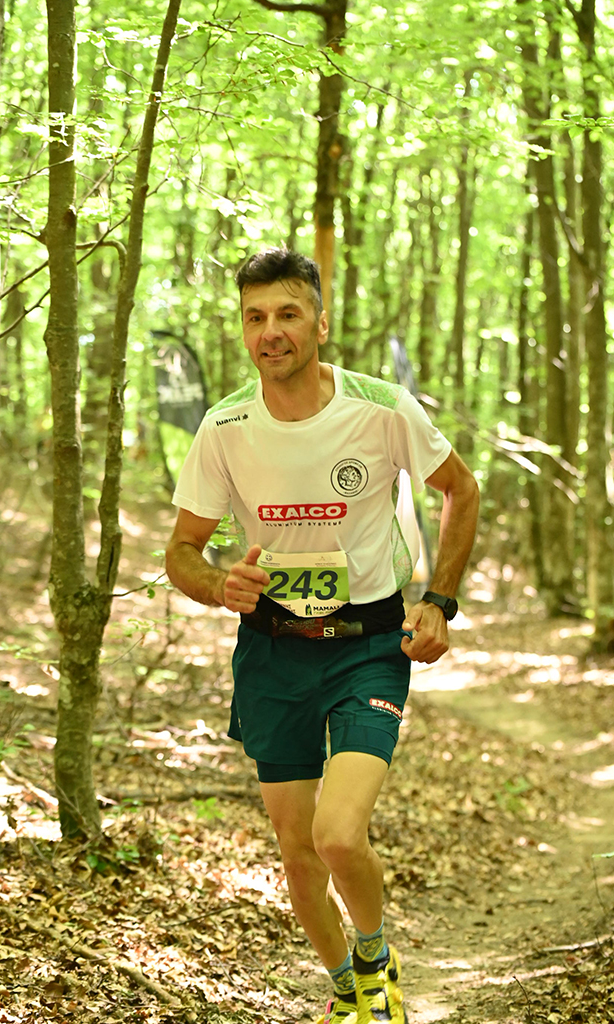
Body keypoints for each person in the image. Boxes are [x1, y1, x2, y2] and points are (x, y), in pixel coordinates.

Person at [165, 248, 479, 1024]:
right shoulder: (225, 427)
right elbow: (183, 551)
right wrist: (218, 585)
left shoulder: (381, 407)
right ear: (244, 329)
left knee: (338, 836)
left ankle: (374, 958)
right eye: (255, 318)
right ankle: (347, 989)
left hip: (368, 644)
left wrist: (439, 601)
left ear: (320, 323)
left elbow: (460, 489)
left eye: (288, 313)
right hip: (272, 650)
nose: (271, 331)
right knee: (297, 850)